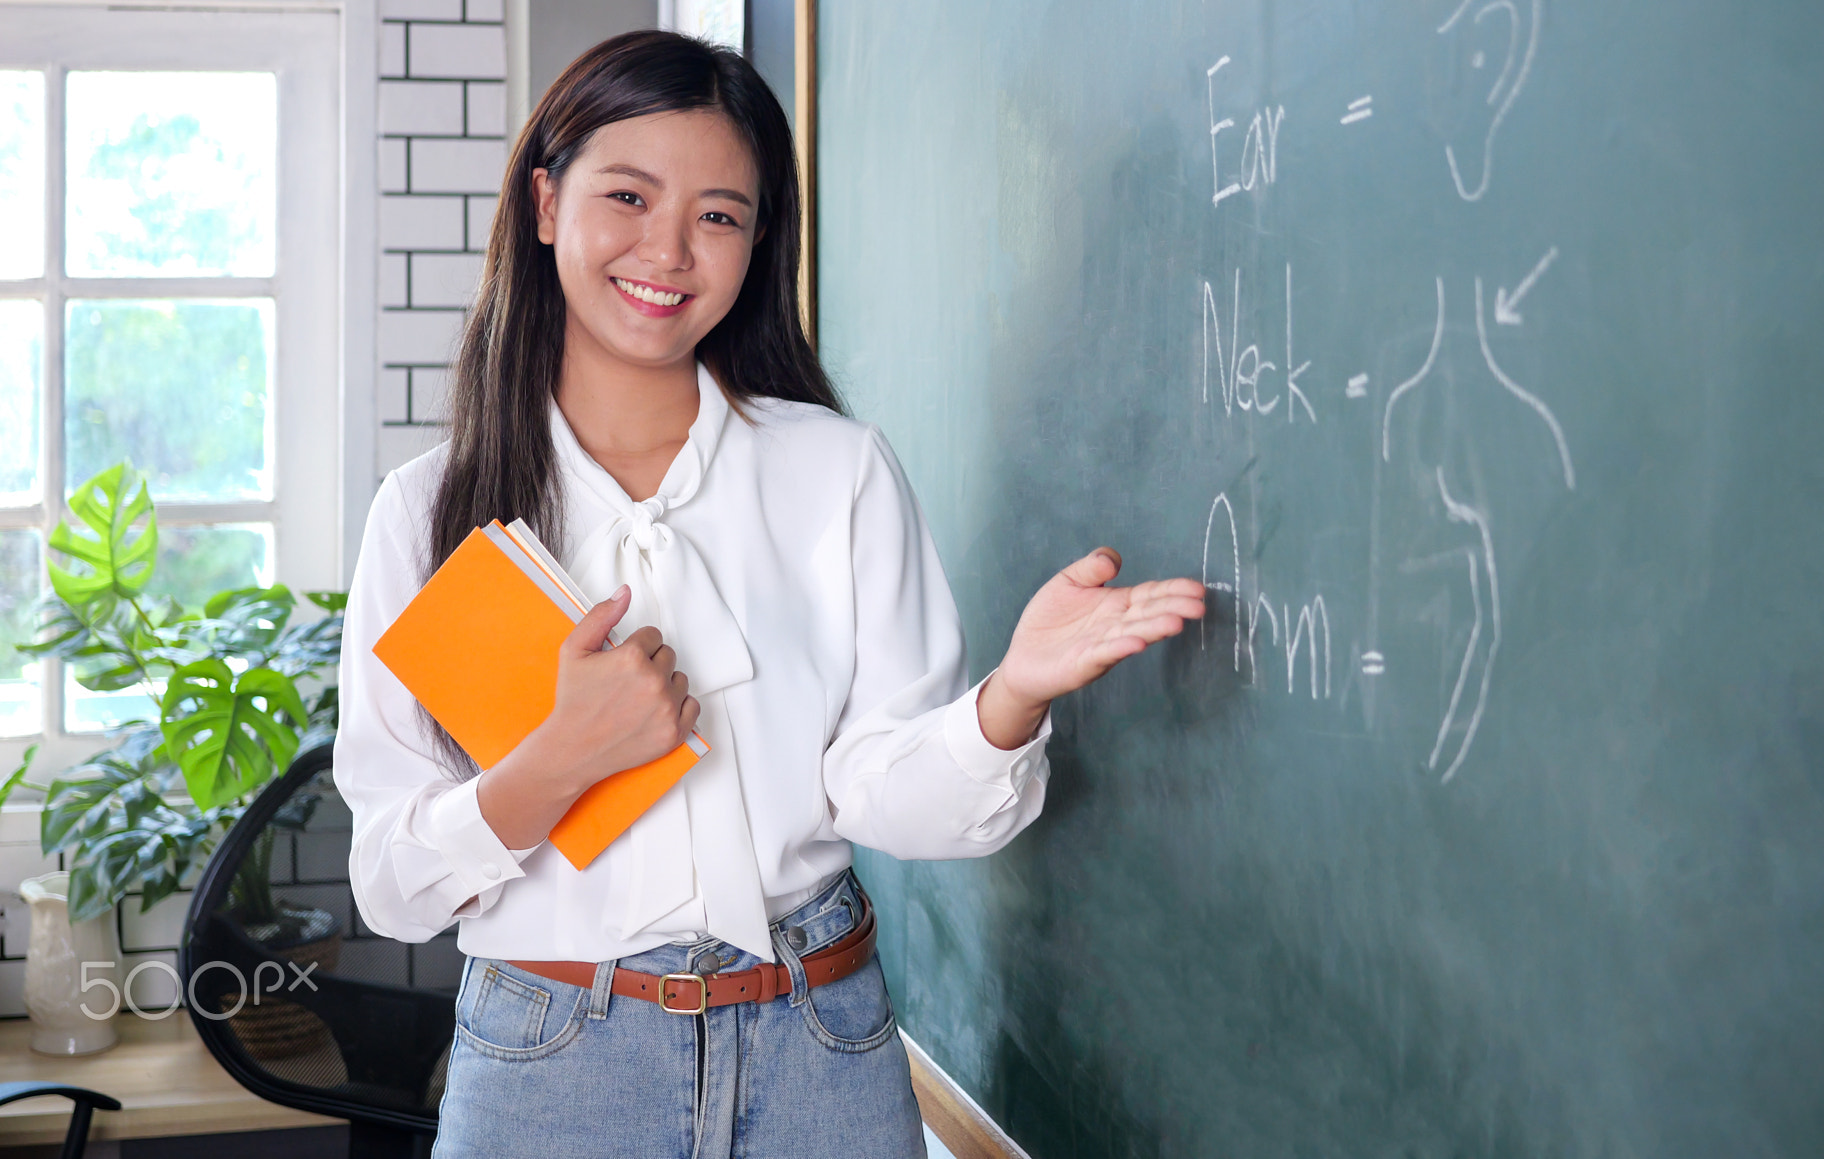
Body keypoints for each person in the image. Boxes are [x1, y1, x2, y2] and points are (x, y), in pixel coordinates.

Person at [331, 29, 1205, 1158]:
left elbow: (882, 795)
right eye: (629, 196)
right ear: (546, 203)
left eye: (719, 215)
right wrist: (560, 756)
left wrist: (1011, 696)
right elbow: (393, 887)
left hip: (820, 1043)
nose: (670, 249)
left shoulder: (834, 468)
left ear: (756, 244)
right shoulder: (428, 512)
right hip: (554, 1058)